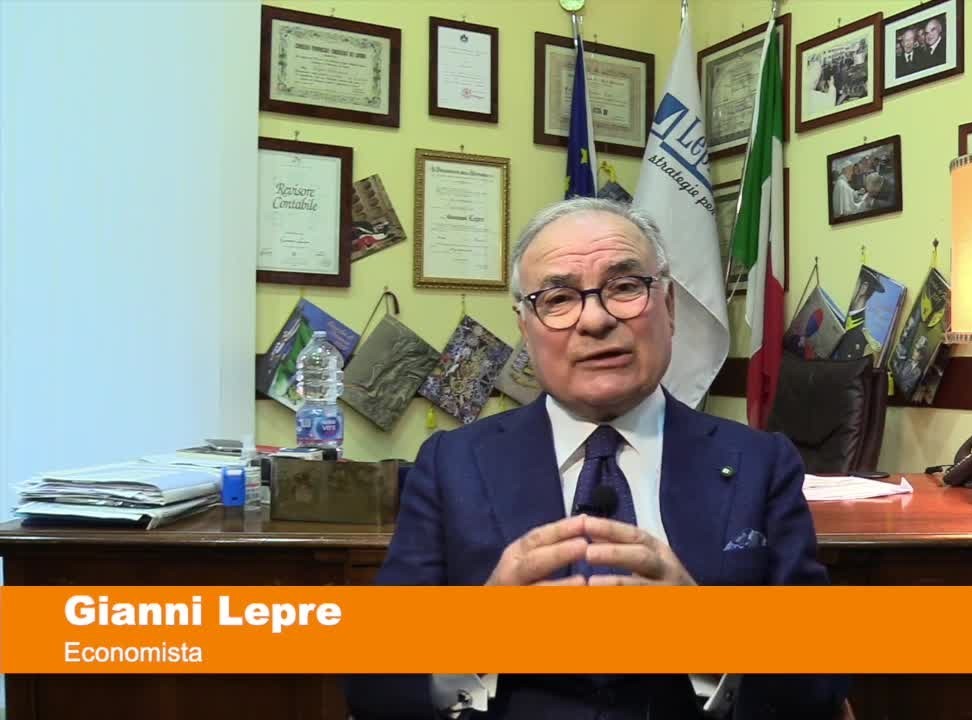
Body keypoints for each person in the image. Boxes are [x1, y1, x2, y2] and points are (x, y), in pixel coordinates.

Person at [346, 198, 849, 720]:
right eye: (559, 298)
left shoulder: (761, 463)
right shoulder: (450, 465)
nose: (596, 319)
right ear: (525, 327)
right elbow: (372, 684)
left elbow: (821, 681)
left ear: (669, 307)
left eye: (625, 287)